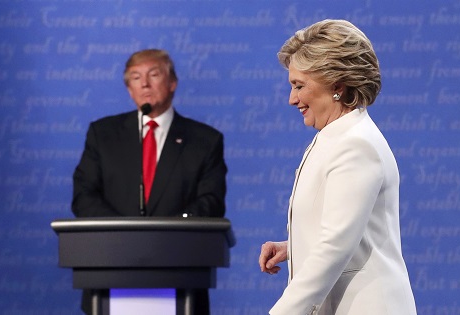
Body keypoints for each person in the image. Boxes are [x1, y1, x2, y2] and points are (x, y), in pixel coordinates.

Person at [258, 20, 417, 315]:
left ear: (337, 86)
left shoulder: (355, 146)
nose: (292, 99)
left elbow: (334, 248)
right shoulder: (337, 137)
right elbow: (345, 230)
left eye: (299, 86)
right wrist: (294, 246)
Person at [72, 48, 227, 314]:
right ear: (129, 89)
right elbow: (84, 196)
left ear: (172, 83)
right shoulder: (102, 134)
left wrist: (165, 236)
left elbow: (211, 202)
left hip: (180, 274)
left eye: (153, 74)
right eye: (135, 77)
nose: (144, 83)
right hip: (111, 268)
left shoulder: (205, 140)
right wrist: (126, 235)